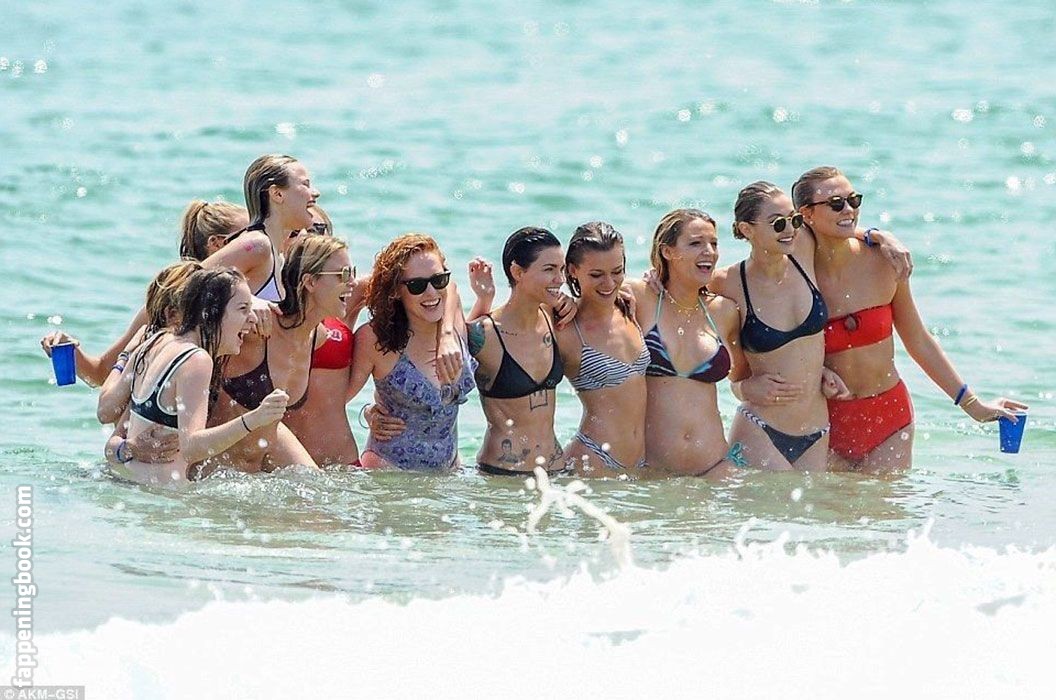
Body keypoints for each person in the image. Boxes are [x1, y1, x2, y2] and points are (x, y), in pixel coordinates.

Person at [792, 165, 1028, 471]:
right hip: (822, 420)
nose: (849, 209)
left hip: (889, 417)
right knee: (829, 503)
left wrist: (973, 405)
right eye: (836, 204)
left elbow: (918, 340)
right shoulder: (796, 275)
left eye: (854, 200)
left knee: (890, 504)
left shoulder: (885, 261)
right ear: (807, 214)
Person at [96, 269, 287, 485]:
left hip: (124, 485)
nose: (252, 318)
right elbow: (191, 447)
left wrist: (127, 449)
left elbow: (112, 439)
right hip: (157, 497)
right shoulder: (197, 360)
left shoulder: (155, 342)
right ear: (210, 312)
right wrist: (256, 418)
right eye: (243, 309)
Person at [709, 182, 849, 471]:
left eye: (794, 220)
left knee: (810, 504)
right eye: (778, 223)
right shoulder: (726, 283)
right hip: (760, 429)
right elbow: (678, 301)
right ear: (747, 229)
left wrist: (880, 237)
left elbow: (843, 229)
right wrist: (744, 389)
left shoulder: (803, 248)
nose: (790, 229)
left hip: (817, 430)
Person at [40, 199, 248, 387]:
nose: (258, 241)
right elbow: (101, 374)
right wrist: (69, 350)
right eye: (248, 236)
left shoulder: (247, 300)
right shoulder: (173, 303)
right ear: (217, 243)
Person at [206, 235, 354, 474]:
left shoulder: (317, 338)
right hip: (211, 472)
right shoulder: (258, 329)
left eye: (352, 273)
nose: (352, 282)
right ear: (310, 282)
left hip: (256, 473)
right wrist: (249, 301)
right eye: (344, 274)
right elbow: (195, 302)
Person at [624, 210, 742, 477]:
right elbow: (595, 295)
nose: (709, 251)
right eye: (696, 243)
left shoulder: (724, 311)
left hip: (716, 467)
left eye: (714, 243)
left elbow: (742, 377)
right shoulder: (640, 298)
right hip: (653, 471)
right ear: (667, 251)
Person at [348, 234, 477, 471]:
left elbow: (453, 289)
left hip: (447, 477)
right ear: (396, 290)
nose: (431, 293)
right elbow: (335, 400)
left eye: (438, 280)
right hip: (388, 474)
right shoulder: (375, 339)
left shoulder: (452, 322)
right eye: (417, 285)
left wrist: (447, 334)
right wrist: (367, 413)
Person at [468, 227, 571, 476]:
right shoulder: (486, 334)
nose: (560, 279)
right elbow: (444, 355)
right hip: (503, 478)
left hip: (556, 473)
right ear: (517, 272)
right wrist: (483, 299)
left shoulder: (555, 317)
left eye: (562, 269)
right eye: (549, 269)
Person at [556, 222, 649, 475]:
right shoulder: (565, 328)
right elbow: (510, 326)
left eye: (617, 271)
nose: (609, 283)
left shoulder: (629, 307)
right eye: (596, 275)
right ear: (572, 271)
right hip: (593, 458)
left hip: (641, 461)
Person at [202, 154, 320, 303]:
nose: (316, 193)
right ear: (277, 194)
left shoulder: (277, 256)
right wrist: (250, 302)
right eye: (305, 184)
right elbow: (185, 284)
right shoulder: (257, 245)